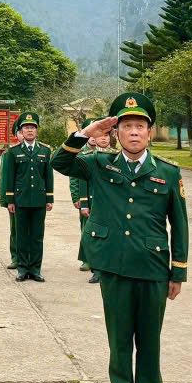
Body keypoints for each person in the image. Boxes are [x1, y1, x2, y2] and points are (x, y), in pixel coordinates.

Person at [51, 92, 187, 383]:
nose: (134, 132)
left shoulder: (168, 173)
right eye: (127, 126)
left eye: (140, 126)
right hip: (113, 266)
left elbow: (180, 225)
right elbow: (60, 163)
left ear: (149, 131)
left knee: (150, 344)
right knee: (120, 342)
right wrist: (87, 130)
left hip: (153, 268)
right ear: (117, 132)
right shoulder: (98, 164)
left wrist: (178, 271)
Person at [0, 111, 54, 282]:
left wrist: (49, 198)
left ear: (37, 131)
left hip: (38, 200)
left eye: (32, 127)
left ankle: (35, 269)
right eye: (26, 128)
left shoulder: (45, 151)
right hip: (20, 200)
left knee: (37, 236)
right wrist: (10, 200)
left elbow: (48, 176)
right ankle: (22, 269)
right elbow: (9, 177)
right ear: (21, 131)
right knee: (22, 236)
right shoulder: (13, 152)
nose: (29, 130)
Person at [71, 118, 106, 284]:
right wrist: (79, 199)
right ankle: (88, 259)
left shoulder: (114, 156)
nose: (101, 138)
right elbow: (77, 179)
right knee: (87, 231)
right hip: (89, 200)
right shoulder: (84, 155)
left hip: (107, 204)